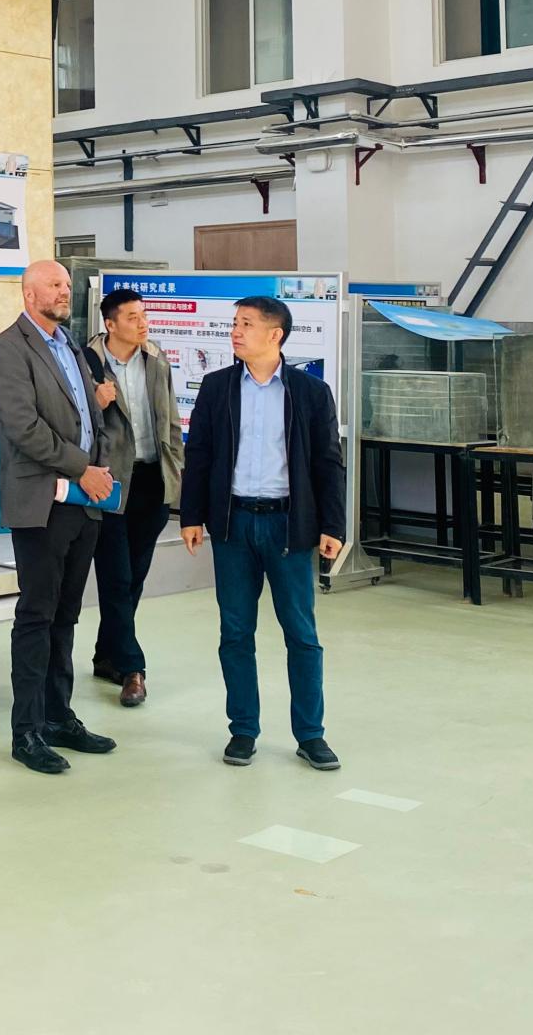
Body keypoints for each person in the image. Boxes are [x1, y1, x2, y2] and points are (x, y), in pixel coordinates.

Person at [179, 295, 346, 772]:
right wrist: (191, 515)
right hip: (233, 525)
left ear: (275, 334)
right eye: (234, 323)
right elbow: (200, 455)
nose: (235, 331)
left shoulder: (309, 392)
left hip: (288, 526)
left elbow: (327, 463)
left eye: (246, 324)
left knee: (301, 634)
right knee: (235, 632)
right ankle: (243, 730)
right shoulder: (217, 387)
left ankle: (311, 735)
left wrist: (333, 525)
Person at [0, 260, 120, 775]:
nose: (65, 291)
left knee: (66, 615)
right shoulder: (7, 349)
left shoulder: (71, 346)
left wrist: (98, 469)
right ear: (28, 293)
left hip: (84, 503)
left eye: (66, 284)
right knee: (37, 616)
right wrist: (83, 468)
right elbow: (23, 427)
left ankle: (59, 716)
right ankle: (27, 732)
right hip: (42, 502)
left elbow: (93, 417)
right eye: (55, 285)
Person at [85, 288, 184, 708]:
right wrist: (95, 401)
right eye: (132, 317)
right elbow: (71, 421)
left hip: (152, 480)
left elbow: (171, 420)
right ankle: (132, 668)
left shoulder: (156, 359)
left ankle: (106, 656)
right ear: (110, 324)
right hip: (109, 483)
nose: (142, 324)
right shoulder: (86, 363)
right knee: (116, 577)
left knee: (134, 578)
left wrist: (176, 469)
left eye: (144, 316)